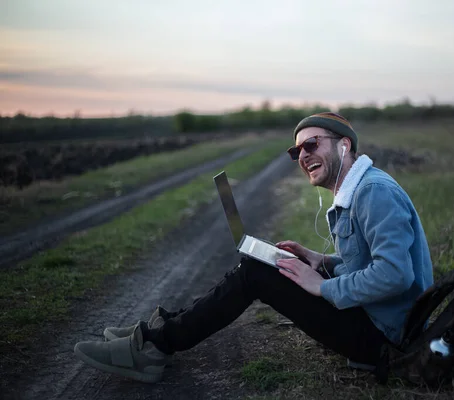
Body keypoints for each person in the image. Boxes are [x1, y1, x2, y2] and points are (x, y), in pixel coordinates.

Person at [73, 112, 434, 383]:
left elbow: (395, 275)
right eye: (297, 151)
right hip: (374, 320)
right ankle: (162, 330)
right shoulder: (358, 190)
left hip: (384, 337)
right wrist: (319, 260)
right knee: (264, 265)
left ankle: (155, 347)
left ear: (344, 145)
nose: (303, 155)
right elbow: (369, 260)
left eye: (312, 144)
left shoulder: (373, 192)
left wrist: (320, 285)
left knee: (254, 274)